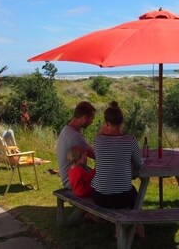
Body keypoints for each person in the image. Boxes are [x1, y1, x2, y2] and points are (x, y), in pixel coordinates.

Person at [91, 101, 144, 237]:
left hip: (99, 197)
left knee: (126, 192)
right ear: (122, 122)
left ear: (106, 123)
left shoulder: (98, 140)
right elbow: (139, 164)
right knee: (135, 195)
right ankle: (139, 228)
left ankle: (120, 228)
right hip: (122, 198)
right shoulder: (130, 140)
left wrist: (100, 132)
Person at [56, 101, 96, 189]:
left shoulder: (67, 129)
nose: (92, 122)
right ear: (85, 118)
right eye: (92, 119)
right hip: (75, 183)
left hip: (72, 178)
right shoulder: (74, 136)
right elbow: (96, 155)